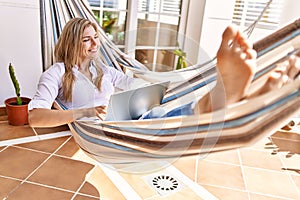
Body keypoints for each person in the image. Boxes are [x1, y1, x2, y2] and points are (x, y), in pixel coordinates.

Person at [28, 18, 300, 127]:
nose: (95, 44)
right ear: (72, 42)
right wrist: (85, 112)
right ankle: (225, 99)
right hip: (98, 131)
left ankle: (234, 97)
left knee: (156, 112)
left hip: (126, 122)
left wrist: (161, 84)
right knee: (157, 121)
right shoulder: (56, 74)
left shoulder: (105, 70)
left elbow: (130, 80)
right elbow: (35, 117)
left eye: (96, 37)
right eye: (87, 39)